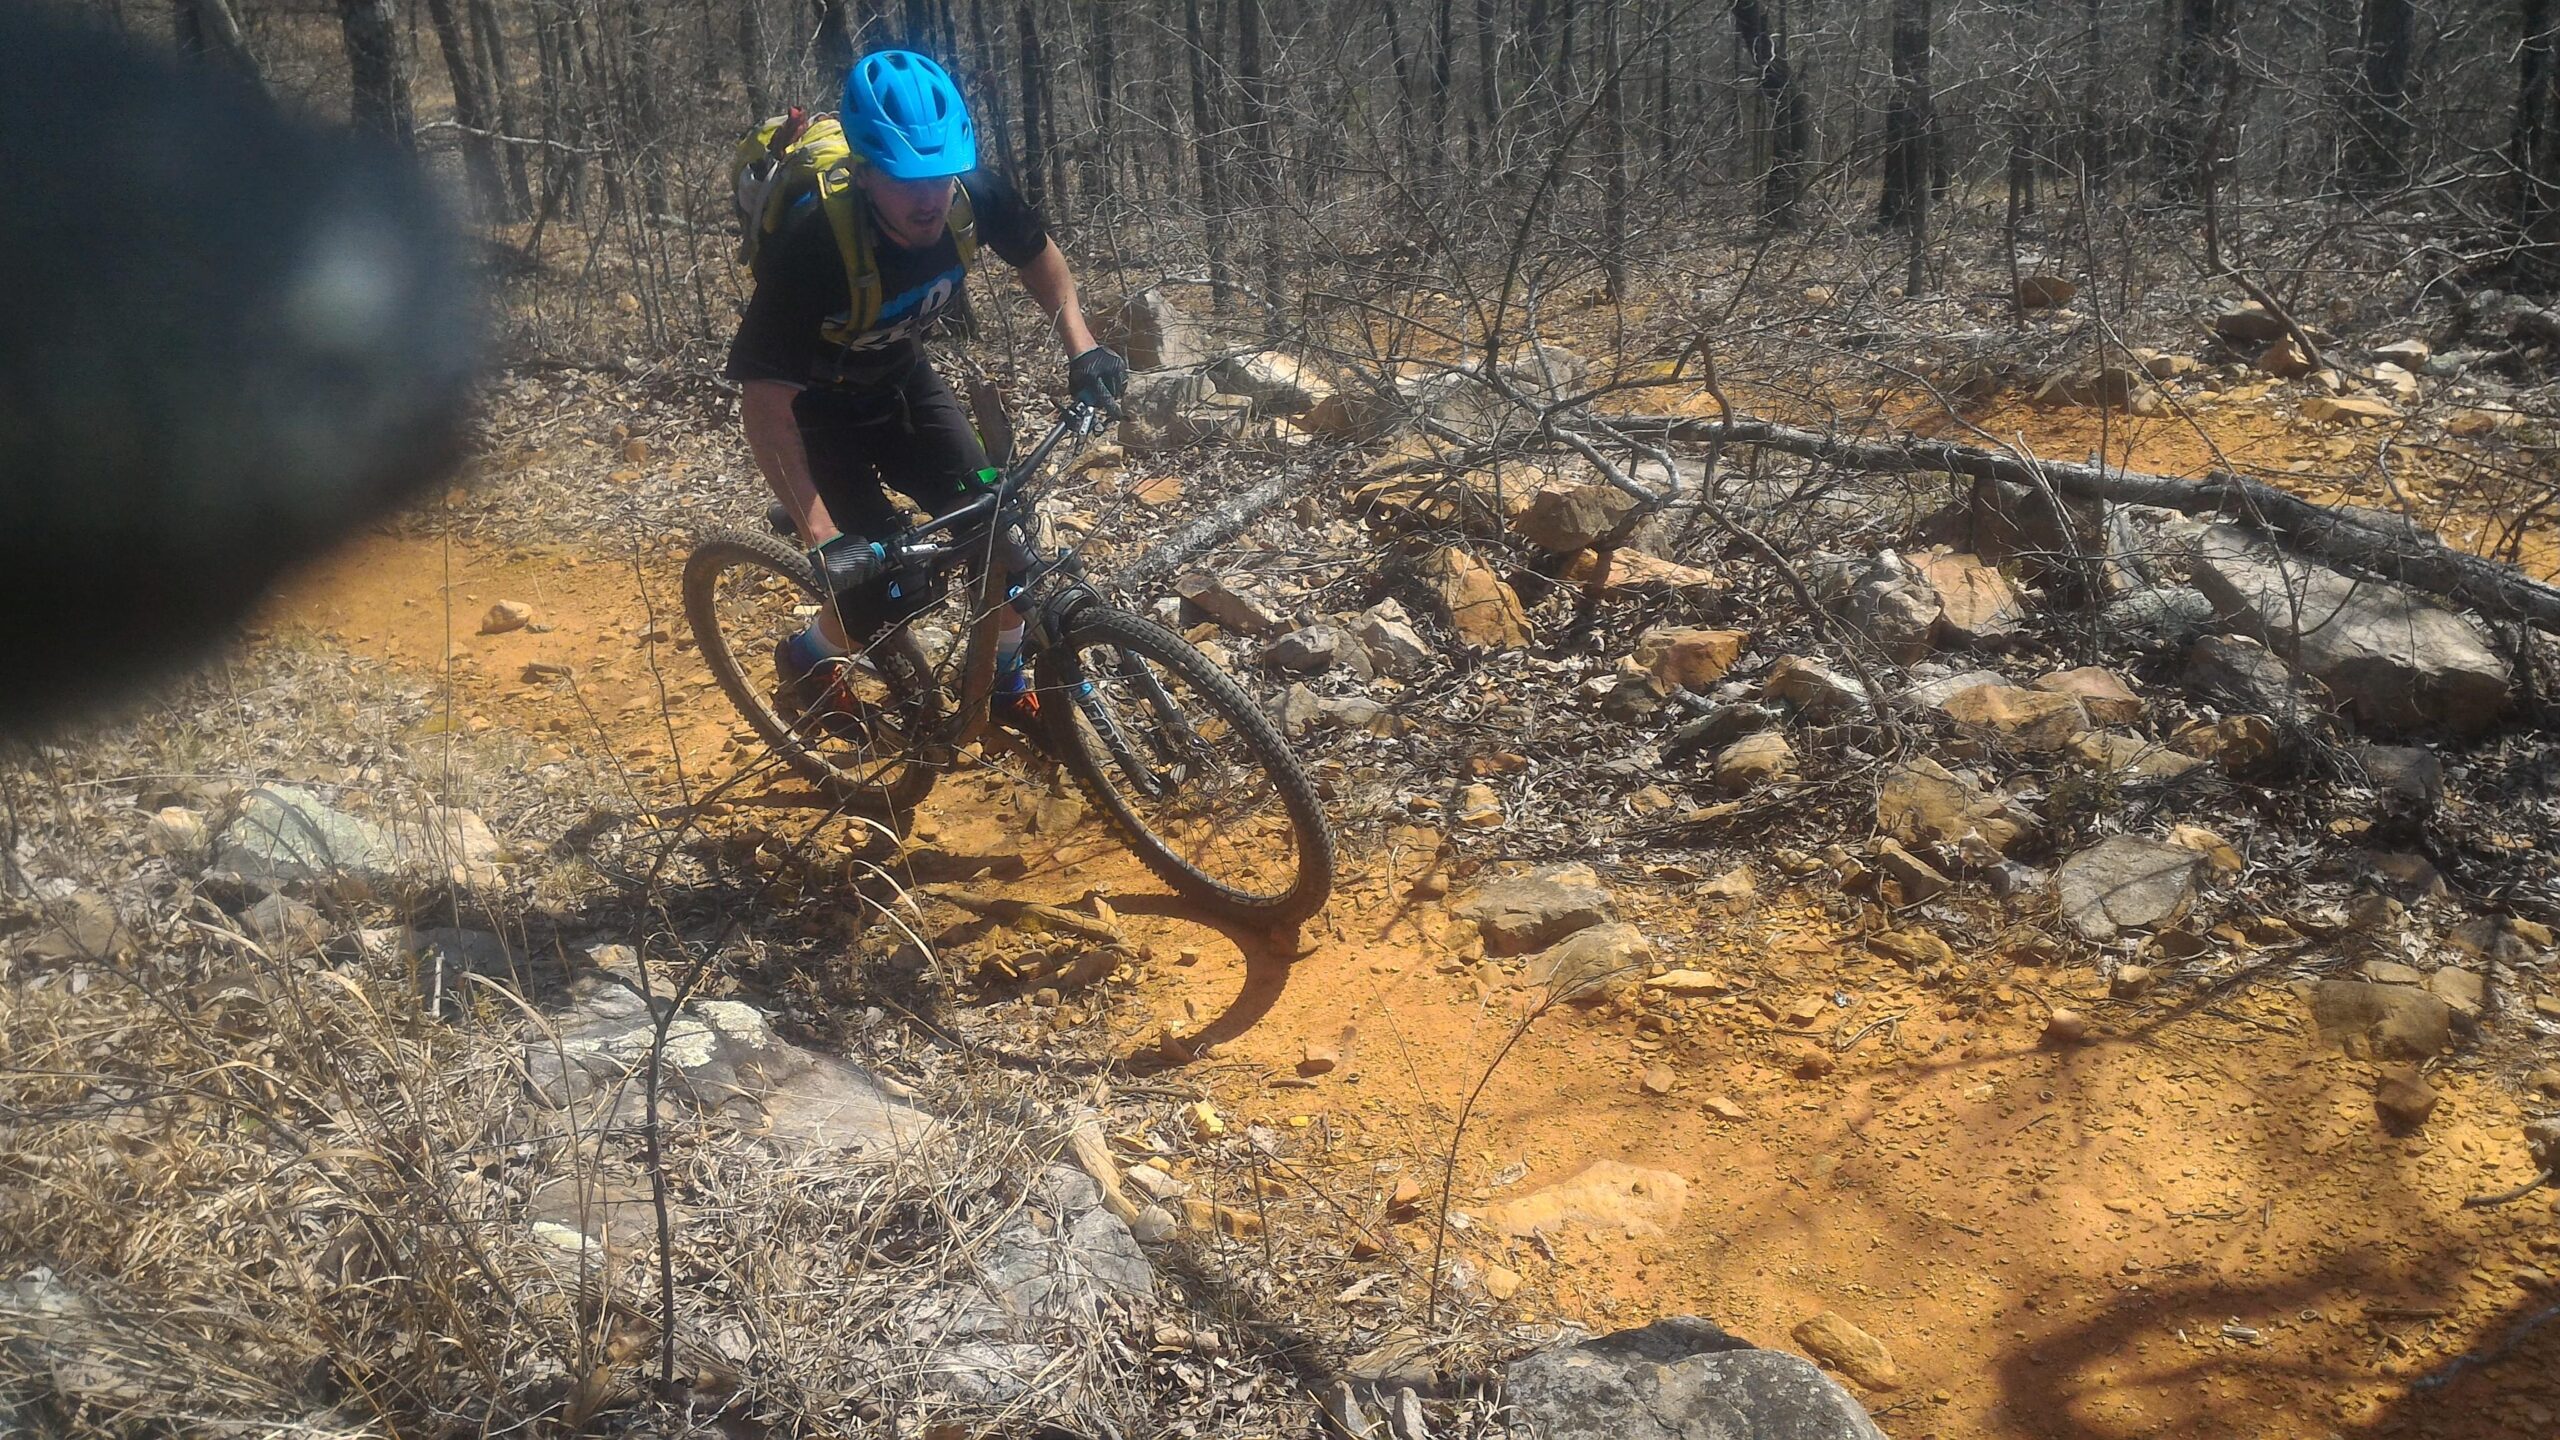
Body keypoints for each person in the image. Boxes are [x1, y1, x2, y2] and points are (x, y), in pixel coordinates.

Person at [725, 49, 1125, 740]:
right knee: (881, 593)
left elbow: (1040, 256)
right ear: (867, 169)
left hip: (903, 382)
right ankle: (808, 657)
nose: (929, 199)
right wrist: (823, 538)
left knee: (998, 531)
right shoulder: (815, 245)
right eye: (907, 179)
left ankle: (1003, 682)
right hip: (819, 420)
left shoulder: (971, 193)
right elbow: (764, 405)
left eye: (939, 176)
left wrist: (1081, 345)